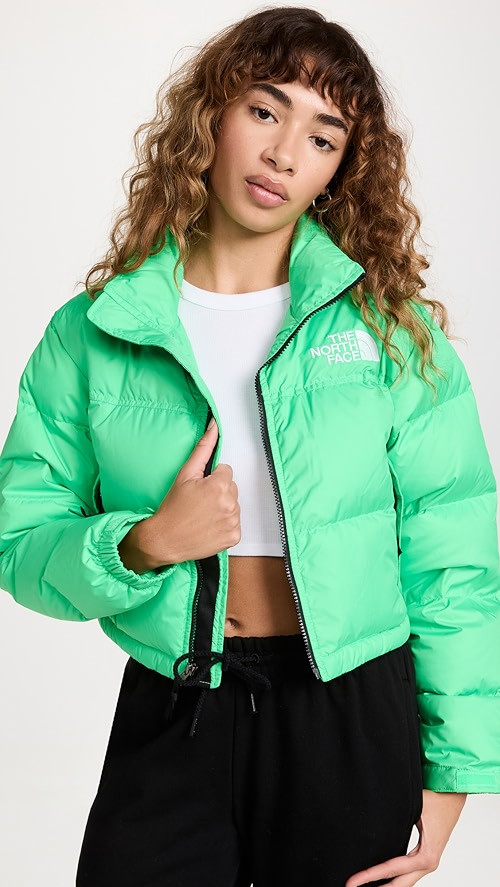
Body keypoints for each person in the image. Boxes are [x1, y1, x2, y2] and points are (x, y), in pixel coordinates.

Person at [0, 6, 498, 887]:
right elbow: (20, 539)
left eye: (323, 137)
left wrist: (457, 768)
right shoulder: (95, 331)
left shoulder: (391, 333)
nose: (283, 154)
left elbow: (453, 557)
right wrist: (142, 543)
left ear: (342, 168)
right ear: (212, 114)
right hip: (177, 697)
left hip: (349, 710)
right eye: (265, 111)